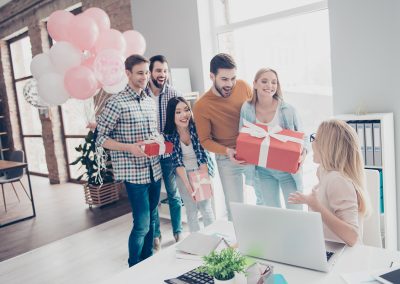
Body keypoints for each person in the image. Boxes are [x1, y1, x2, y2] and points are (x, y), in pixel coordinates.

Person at [96, 54, 162, 266]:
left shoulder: (150, 101)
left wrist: (157, 141)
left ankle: (147, 261)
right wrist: (129, 148)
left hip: (154, 169)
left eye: (146, 72)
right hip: (134, 173)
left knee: (152, 219)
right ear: (127, 73)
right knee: (142, 224)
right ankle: (133, 265)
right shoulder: (116, 102)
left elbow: (153, 132)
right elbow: (101, 138)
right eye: (140, 73)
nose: (145, 77)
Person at [288, 119, 371, 246]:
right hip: (329, 250)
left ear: (327, 146)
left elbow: (353, 237)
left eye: (315, 138)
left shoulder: (337, 180)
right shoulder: (326, 176)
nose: (313, 143)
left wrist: (316, 206)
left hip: (344, 258)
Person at [193, 53, 252, 220]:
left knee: (262, 202)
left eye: (233, 78)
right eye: (224, 79)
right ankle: (239, 244)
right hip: (227, 158)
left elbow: (257, 113)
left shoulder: (243, 86)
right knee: (236, 209)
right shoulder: (202, 106)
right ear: (212, 76)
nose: (231, 84)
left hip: (252, 152)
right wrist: (227, 151)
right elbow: (204, 141)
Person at [239, 68, 308, 209]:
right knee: (272, 212)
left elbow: (303, 138)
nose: (269, 86)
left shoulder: (288, 110)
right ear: (255, 84)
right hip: (264, 171)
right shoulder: (247, 108)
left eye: (274, 82)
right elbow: (243, 134)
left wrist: (304, 153)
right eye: (264, 81)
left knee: (295, 212)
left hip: (287, 171)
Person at [144, 55, 183, 250]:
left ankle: (178, 232)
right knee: (154, 197)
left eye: (165, 71)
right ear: (151, 72)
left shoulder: (174, 94)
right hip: (150, 155)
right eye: (158, 70)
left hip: (168, 154)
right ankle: (156, 235)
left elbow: (181, 123)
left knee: (173, 194)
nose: (162, 74)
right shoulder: (141, 95)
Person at [164, 97, 216, 232]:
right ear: (172, 115)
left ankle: (214, 240)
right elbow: (177, 162)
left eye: (186, 110)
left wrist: (205, 180)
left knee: (205, 208)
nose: (184, 115)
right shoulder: (169, 135)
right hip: (182, 174)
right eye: (178, 112)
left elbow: (201, 157)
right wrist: (188, 187)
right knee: (191, 210)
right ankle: (196, 243)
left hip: (200, 169)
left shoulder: (196, 128)